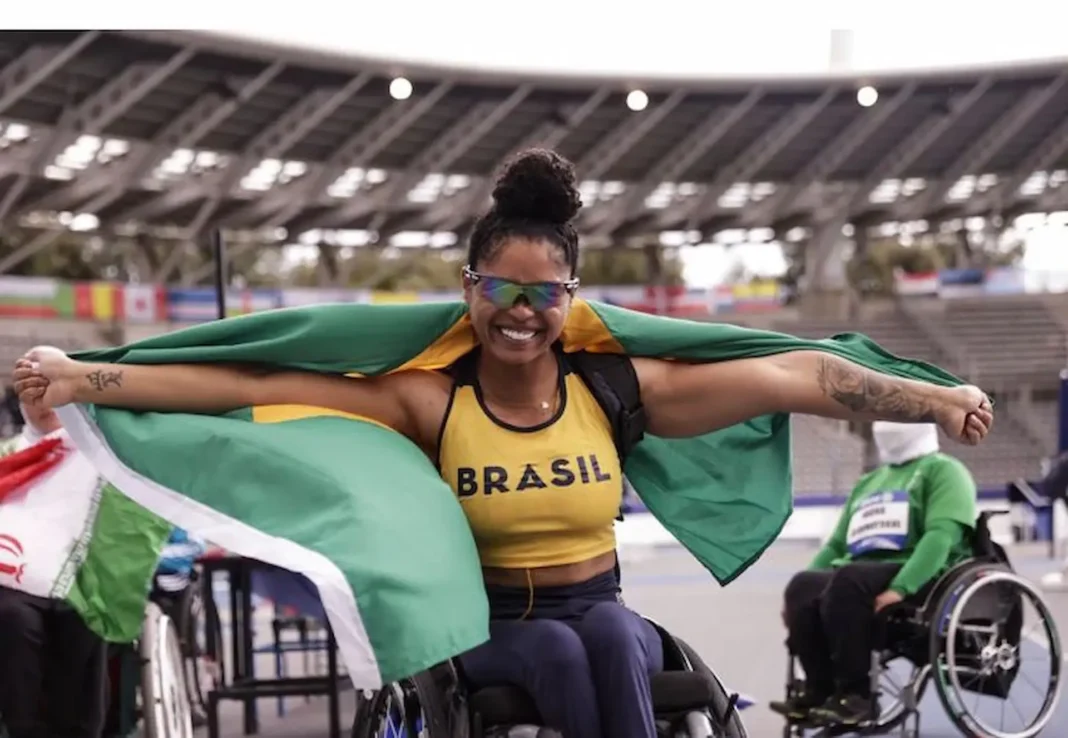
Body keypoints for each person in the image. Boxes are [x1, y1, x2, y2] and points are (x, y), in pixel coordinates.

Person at [12, 149, 992, 738]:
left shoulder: (614, 389)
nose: (521, 312)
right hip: (486, 630)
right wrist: (92, 378)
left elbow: (803, 374)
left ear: (571, 301)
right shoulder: (429, 402)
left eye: (544, 294)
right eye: (501, 289)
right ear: (471, 286)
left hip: (599, 608)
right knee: (565, 660)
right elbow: (255, 381)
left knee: (603, 635)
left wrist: (932, 394)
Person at [771, 421, 979, 728]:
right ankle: (820, 689)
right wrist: (798, 598)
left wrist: (901, 587)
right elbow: (838, 544)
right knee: (803, 586)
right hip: (859, 576)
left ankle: (857, 696)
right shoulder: (870, 481)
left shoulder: (945, 471)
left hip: (919, 575)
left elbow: (940, 536)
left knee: (849, 579)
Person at [0, 401, 108, 738]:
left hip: (79, 576)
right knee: (13, 619)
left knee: (87, 615)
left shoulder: (100, 455)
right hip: (13, 581)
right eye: (33, 396)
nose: (44, 404)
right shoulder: (7, 454)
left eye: (52, 393)